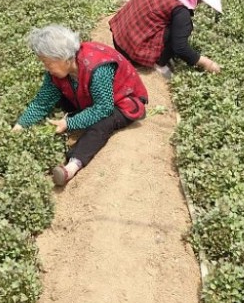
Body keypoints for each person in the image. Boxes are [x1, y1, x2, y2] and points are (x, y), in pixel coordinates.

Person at [14, 25, 148, 187]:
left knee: (102, 124)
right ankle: (75, 118)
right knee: (56, 98)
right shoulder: (58, 72)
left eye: (48, 63)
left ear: (65, 58)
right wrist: (20, 125)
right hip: (89, 96)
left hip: (121, 101)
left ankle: (71, 166)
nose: (46, 68)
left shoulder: (98, 69)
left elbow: (103, 108)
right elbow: (42, 102)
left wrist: (70, 123)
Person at [109, 0, 225, 78]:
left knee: (175, 23)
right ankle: (159, 62)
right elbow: (180, 48)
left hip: (120, 33)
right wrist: (208, 64)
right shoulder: (181, 11)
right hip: (131, 50)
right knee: (184, 27)